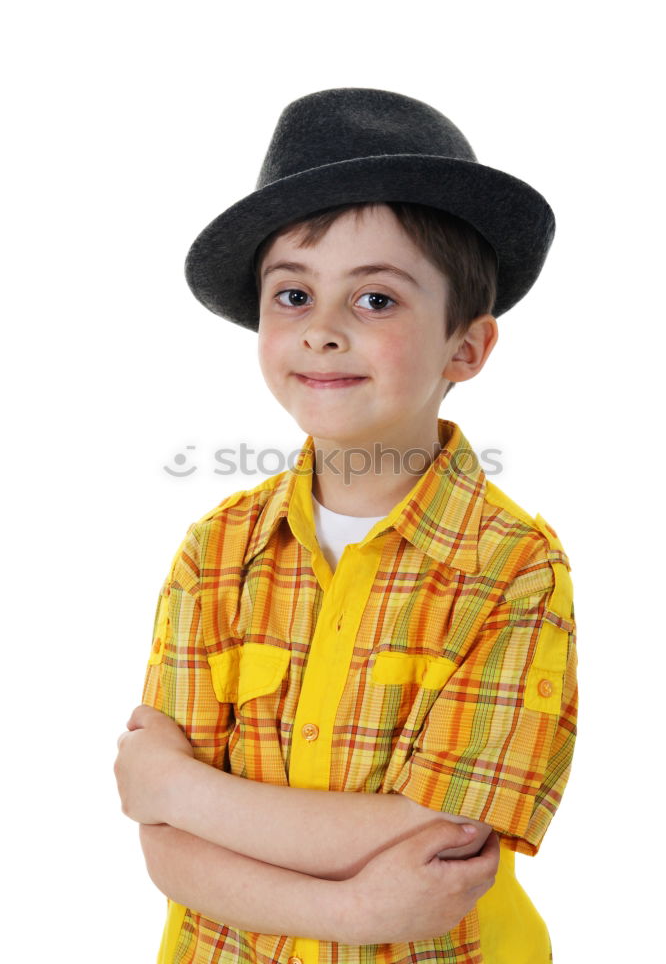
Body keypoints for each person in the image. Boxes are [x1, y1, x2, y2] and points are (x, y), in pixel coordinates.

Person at [114, 88, 578, 964]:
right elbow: (166, 846)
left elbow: (447, 840)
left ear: (466, 348)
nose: (322, 331)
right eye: (292, 295)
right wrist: (364, 908)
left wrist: (175, 784)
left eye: (375, 302)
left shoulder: (513, 566)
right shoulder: (214, 556)